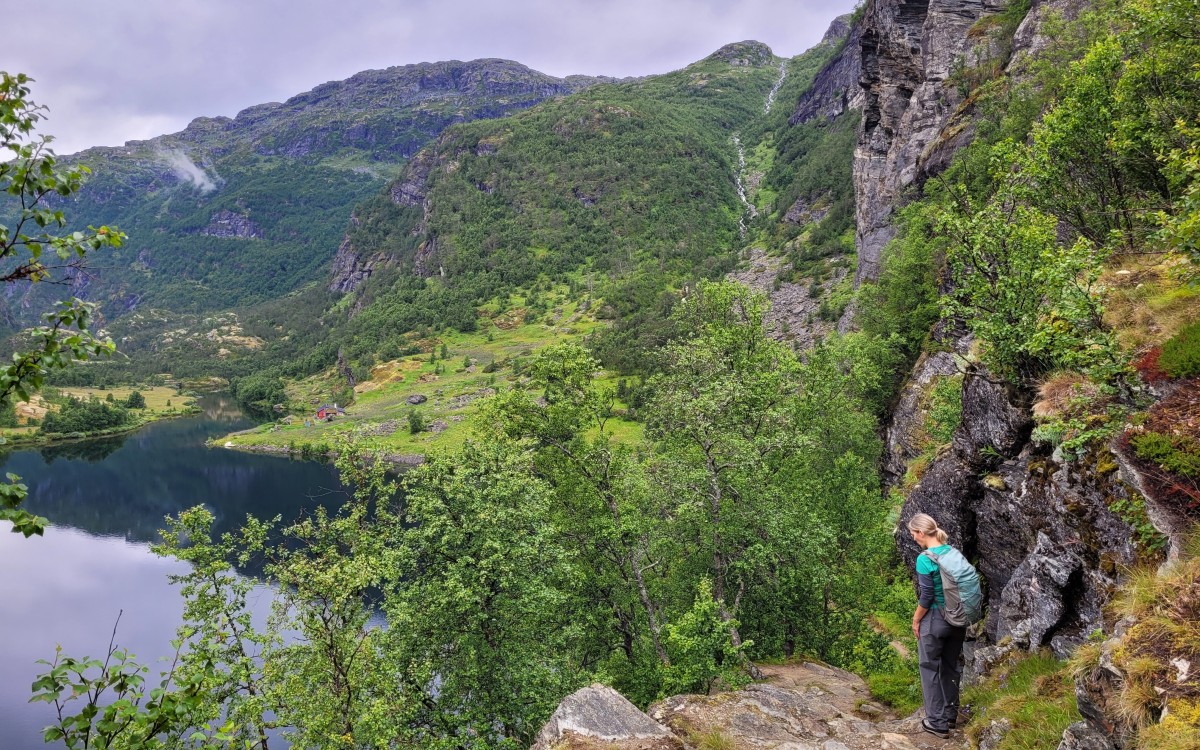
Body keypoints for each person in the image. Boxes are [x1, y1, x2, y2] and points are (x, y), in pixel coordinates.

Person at [908, 513, 966, 739]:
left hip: (934, 619)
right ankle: (950, 715)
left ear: (921, 533)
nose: (912, 537)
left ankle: (937, 722)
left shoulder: (925, 559)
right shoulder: (953, 553)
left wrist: (916, 619)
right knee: (951, 665)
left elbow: (927, 595)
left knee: (929, 667)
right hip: (957, 619)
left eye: (913, 533)